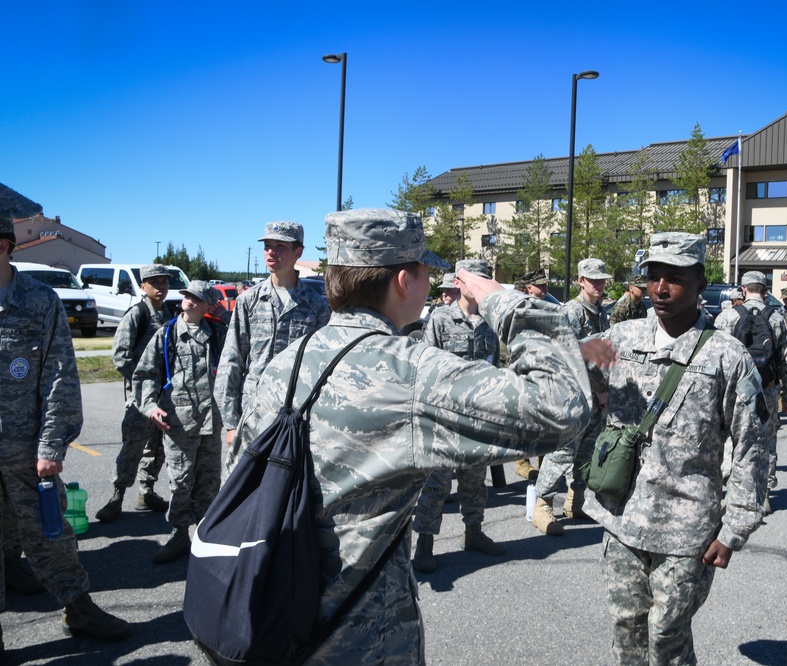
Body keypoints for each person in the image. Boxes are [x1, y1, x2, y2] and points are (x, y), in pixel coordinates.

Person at [226, 208, 597, 664]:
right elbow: (562, 408)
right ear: (405, 281)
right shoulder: (410, 370)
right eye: (426, 272)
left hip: (272, 617)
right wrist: (505, 302)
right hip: (361, 639)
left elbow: (240, 476)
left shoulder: (287, 362)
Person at [584, 232, 768, 665]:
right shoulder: (619, 337)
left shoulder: (728, 356)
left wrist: (735, 527)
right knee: (626, 629)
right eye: (653, 277)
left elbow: (752, 446)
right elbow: (570, 384)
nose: (661, 289)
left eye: (675, 279)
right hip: (623, 518)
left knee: (667, 638)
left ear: (701, 283)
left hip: (686, 530)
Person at [0, 217, 130, 649]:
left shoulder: (38, 301)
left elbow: (60, 377)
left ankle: (78, 608)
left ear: (3, 246)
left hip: (24, 450)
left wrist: (52, 444)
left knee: (52, 535)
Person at [411, 260, 505, 573]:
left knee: (475, 481)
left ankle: (473, 533)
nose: (475, 286)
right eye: (469, 280)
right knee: (436, 484)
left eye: (482, 279)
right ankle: (425, 542)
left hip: (478, 418)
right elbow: (423, 365)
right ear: (458, 283)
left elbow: (497, 366)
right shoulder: (440, 319)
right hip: (444, 418)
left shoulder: (491, 322)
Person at [133, 281, 228, 564]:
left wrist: (222, 314)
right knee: (181, 482)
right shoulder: (167, 334)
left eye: (197, 298)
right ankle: (178, 533)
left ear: (208, 306)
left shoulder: (218, 333)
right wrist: (150, 407)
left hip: (211, 422)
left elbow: (241, 340)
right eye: (187, 295)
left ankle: (204, 532)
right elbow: (145, 374)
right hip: (178, 423)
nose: (188, 300)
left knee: (209, 481)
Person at [215, 222, 331, 447]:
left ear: (298, 252)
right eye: (267, 246)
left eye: (280, 246)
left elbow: (323, 366)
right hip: (253, 415)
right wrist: (231, 423)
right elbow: (231, 361)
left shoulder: (317, 305)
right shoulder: (249, 300)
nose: (271, 252)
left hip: (298, 416)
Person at [532, 257, 612, 536]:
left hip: (595, 396)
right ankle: (541, 505)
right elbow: (567, 356)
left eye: (602, 280)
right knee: (563, 451)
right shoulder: (572, 312)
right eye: (593, 280)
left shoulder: (600, 312)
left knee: (586, 451)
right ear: (580, 281)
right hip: (572, 395)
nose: (599, 284)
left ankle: (575, 501)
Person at [94, 264, 174, 523]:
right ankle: (117, 496)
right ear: (143, 286)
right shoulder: (137, 314)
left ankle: (146, 492)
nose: (161, 287)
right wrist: (141, 384)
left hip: (165, 396)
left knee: (158, 447)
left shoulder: (170, 314)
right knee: (133, 446)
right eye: (155, 282)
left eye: (164, 282)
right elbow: (120, 356)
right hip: (141, 398)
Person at [716, 271, 787, 515]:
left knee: (730, 439)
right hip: (766, 391)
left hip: (734, 392)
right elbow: (786, 362)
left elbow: (714, 357)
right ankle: (764, 495)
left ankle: (730, 493)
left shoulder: (726, 317)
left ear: (743, 289)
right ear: (766, 291)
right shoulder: (777, 319)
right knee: (766, 440)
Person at [513, 268, 551, 481]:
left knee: (543, 421)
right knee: (525, 419)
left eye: (546, 285)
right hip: (520, 369)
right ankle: (522, 461)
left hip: (540, 368)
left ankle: (543, 463)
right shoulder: (519, 307)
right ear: (528, 288)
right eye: (540, 285)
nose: (545, 288)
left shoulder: (543, 307)